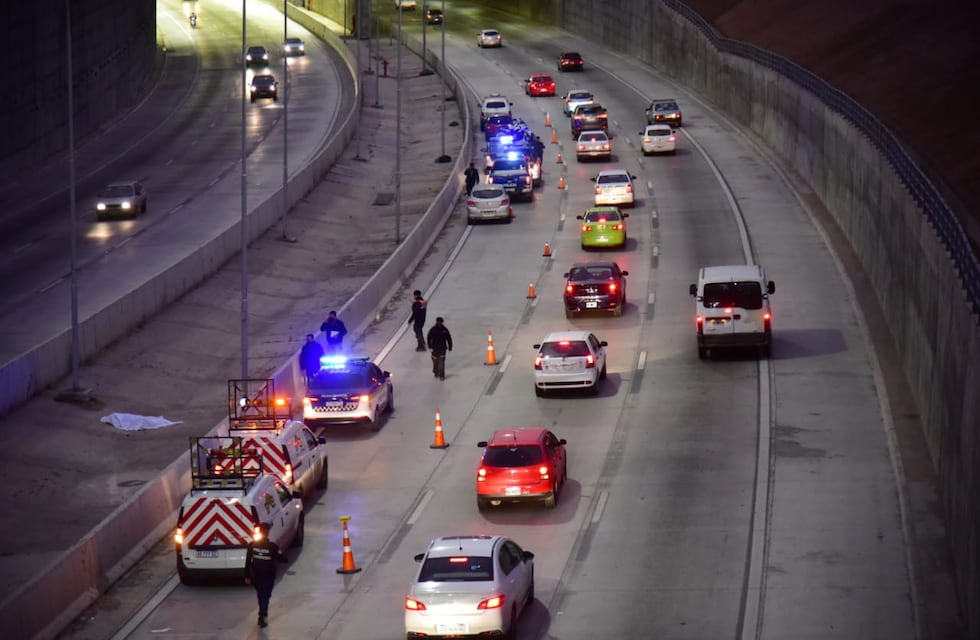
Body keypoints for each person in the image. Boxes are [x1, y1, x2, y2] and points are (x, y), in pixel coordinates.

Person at [244, 522, 288, 628]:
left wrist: (247, 576)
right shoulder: (272, 546)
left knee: (260, 595)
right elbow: (282, 559)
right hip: (268, 576)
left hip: (256, 575)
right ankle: (262, 615)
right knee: (266, 596)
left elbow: (247, 562)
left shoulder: (252, 545)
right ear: (267, 532)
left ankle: (262, 613)